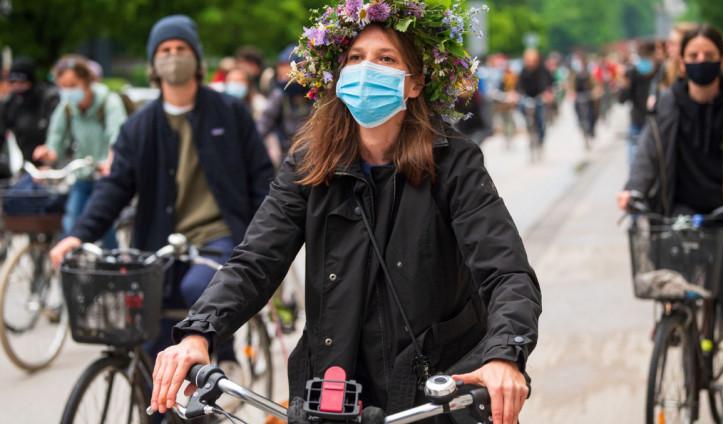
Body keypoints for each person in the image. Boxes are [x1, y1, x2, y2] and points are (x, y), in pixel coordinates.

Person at [150, 2, 542, 424]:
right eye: (355, 58)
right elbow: (256, 259)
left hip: (436, 396)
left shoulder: (454, 162)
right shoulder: (309, 160)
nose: (366, 69)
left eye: (386, 59)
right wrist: (198, 332)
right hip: (333, 390)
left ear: (415, 83)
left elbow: (506, 273)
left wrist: (504, 356)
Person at [48, 15, 274, 374]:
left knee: (198, 289)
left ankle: (222, 362)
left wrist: (262, 242)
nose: (173, 56)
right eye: (165, 50)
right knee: (150, 334)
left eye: (181, 49)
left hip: (220, 237)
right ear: (153, 62)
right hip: (160, 245)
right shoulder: (139, 127)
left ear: (197, 58)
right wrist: (77, 235)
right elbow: (115, 186)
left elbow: (263, 179)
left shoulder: (230, 113)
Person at [618, 25, 723, 423]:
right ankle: (675, 325)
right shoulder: (669, 103)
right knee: (668, 281)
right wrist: (632, 189)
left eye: (707, 55)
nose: (699, 63)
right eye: (691, 57)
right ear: (682, 62)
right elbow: (648, 150)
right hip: (680, 211)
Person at [32, 54, 126, 248]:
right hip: (82, 174)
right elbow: (56, 142)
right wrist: (47, 155)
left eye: (73, 85)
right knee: (71, 222)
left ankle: (117, 270)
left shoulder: (109, 102)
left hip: (106, 176)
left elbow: (118, 136)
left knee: (103, 224)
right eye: (62, 86)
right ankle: (74, 273)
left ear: (87, 81)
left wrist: (110, 160)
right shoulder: (67, 107)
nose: (68, 91)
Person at [256, 45, 313, 166]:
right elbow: (264, 123)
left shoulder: (316, 90)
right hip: (288, 154)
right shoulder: (279, 93)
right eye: (280, 66)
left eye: (286, 65)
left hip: (314, 151)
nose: (282, 71)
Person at [0, 58, 59, 170]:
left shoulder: (47, 99)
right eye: (13, 82)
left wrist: (49, 162)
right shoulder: (11, 103)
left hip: (49, 162)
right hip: (25, 163)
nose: (17, 86)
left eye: (22, 83)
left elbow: (57, 132)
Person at [619, 40, 659, 165]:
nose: (644, 60)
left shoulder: (661, 73)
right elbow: (622, 99)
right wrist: (625, 85)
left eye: (647, 55)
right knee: (635, 163)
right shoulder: (632, 73)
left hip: (657, 125)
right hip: (638, 123)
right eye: (642, 56)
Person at [515, 48, 553, 145]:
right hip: (527, 98)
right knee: (521, 110)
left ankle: (541, 138)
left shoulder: (543, 70)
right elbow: (519, 85)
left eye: (533, 61)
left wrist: (547, 94)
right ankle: (525, 128)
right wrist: (516, 94)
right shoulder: (523, 71)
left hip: (539, 97)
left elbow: (548, 83)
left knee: (540, 118)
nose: (531, 63)